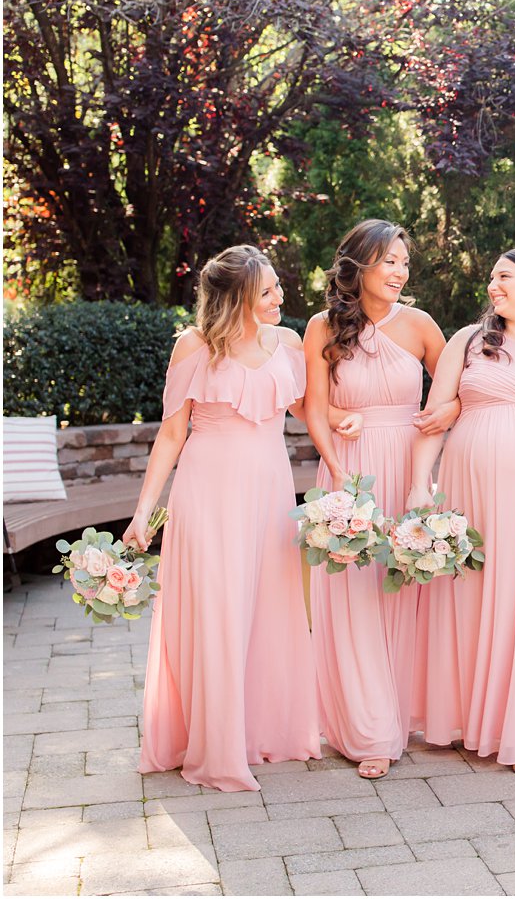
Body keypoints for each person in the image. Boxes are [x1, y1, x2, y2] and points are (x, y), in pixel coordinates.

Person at [127, 245, 321, 791]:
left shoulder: (287, 343)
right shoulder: (195, 346)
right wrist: (144, 514)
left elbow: (309, 413)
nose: (280, 297)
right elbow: (170, 434)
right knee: (218, 609)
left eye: (278, 285)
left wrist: (347, 426)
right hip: (208, 491)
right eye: (266, 291)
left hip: (271, 489)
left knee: (267, 606)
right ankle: (216, 747)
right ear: (236, 298)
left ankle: (261, 729)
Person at [408, 247, 515, 774]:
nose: (492, 285)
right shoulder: (467, 340)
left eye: (503, 276)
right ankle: (464, 718)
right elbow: (434, 417)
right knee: (469, 591)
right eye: (490, 277)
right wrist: (421, 484)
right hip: (468, 484)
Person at [302, 219, 447, 780]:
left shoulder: (421, 326)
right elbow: (314, 408)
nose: (399, 271)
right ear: (359, 264)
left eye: (404, 262)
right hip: (350, 473)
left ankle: (396, 715)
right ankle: (366, 731)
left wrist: (440, 437)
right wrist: (338, 473)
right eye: (389, 260)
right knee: (353, 597)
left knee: (401, 594)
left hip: (407, 468)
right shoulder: (322, 327)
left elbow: (458, 390)